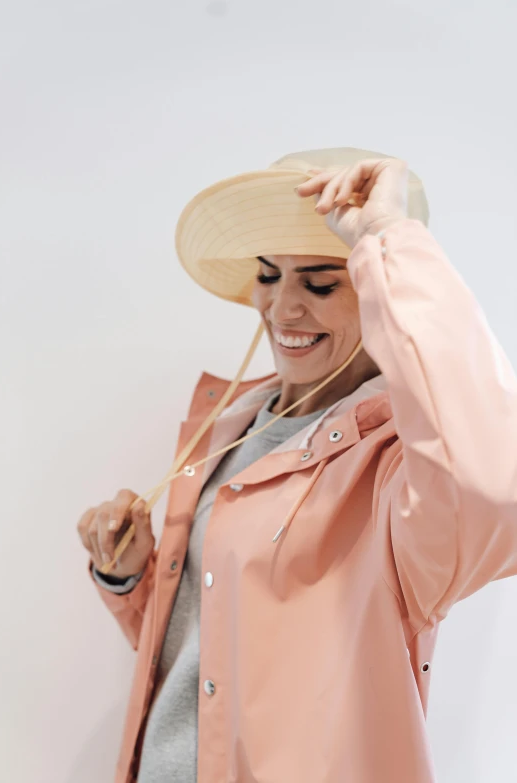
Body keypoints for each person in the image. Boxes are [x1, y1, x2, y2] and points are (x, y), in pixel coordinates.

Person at [77, 147, 517, 783]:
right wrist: (129, 580)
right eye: (268, 274)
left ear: (375, 289)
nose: (283, 308)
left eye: (319, 282)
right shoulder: (224, 427)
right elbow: (213, 660)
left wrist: (387, 239)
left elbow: (494, 482)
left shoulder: (398, 470)